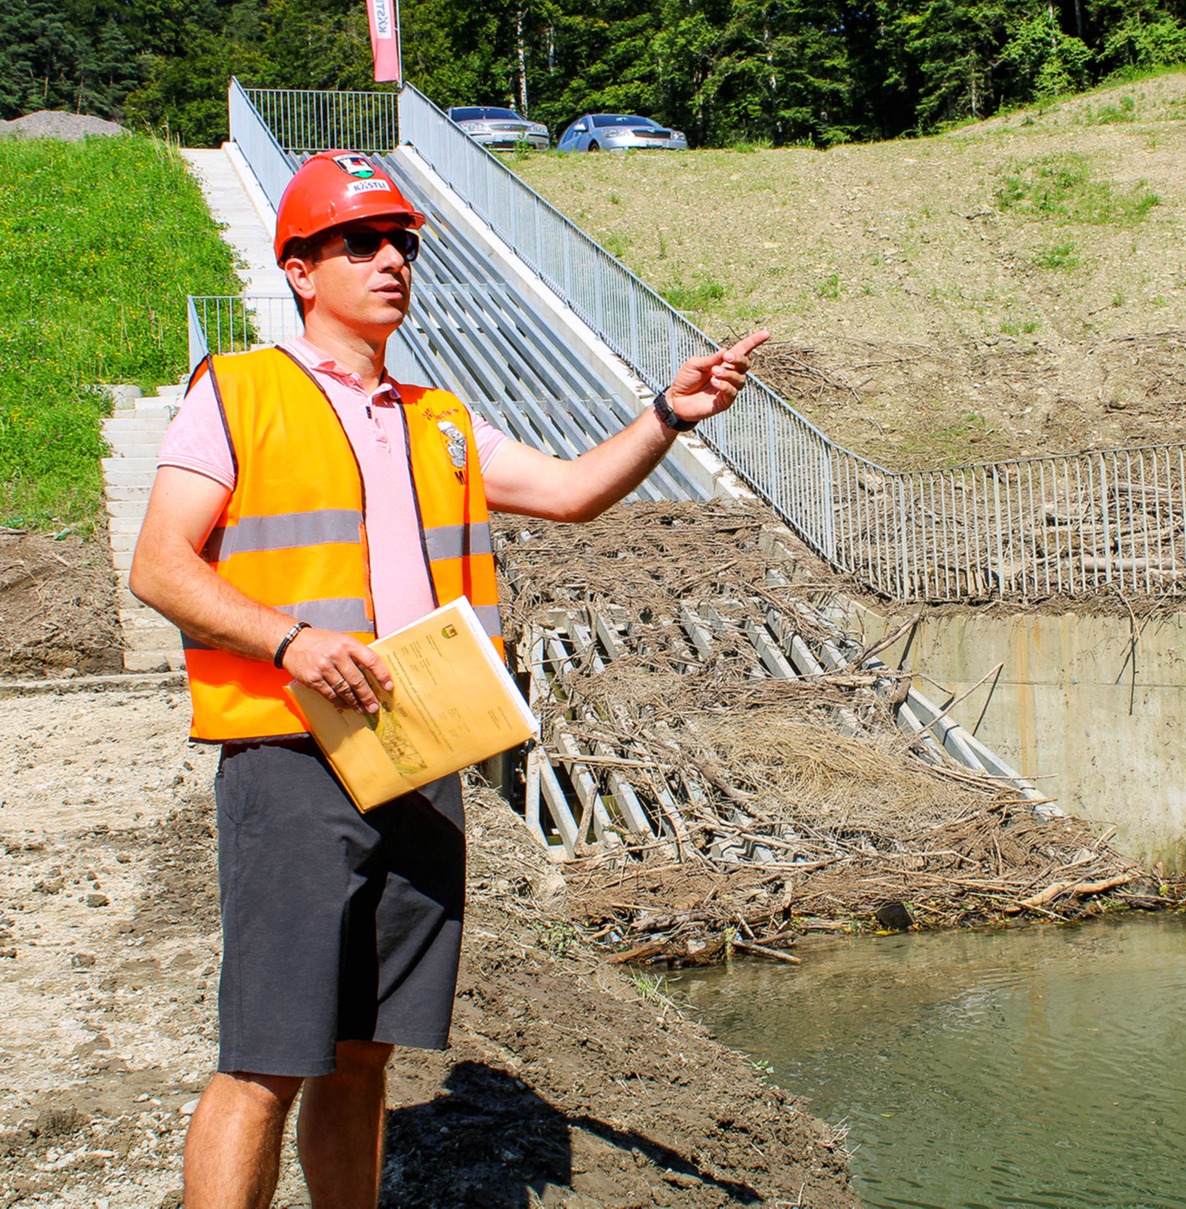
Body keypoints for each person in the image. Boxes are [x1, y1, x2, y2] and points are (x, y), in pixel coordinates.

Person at [129, 148, 767, 1209]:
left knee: (365, 1049)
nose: (390, 260)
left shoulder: (439, 418)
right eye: (359, 241)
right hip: (292, 758)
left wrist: (667, 412)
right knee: (266, 1058)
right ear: (298, 267)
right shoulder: (238, 394)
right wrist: (291, 642)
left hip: (420, 755)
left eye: (402, 244)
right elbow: (160, 566)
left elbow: (568, 493)